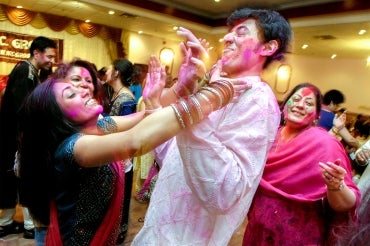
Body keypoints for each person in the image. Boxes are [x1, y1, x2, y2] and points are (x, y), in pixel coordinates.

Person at [18, 49, 241, 245]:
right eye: (72, 94)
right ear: (59, 117)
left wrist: (159, 95)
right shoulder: (75, 147)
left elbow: (146, 117)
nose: (85, 89)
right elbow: (136, 141)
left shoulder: (99, 125)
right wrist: (216, 93)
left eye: (83, 84)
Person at [133, 7, 292, 245]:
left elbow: (224, 192)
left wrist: (197, 105)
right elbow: (176, 159)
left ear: (268, 47)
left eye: (241, 32)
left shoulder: (258, 100)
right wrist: (157, 102)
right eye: (230, 32)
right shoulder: (220, 90)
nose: (227, 38)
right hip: (158, 228)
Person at [243, 83, 360, 245]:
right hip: (258, 226)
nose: (300, 105)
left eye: (309, 103)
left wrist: (336, 186)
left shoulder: (325, 144)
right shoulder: (270, 135)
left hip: (297, 233)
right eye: (296, 99)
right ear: (284, 106)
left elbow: (348, 203)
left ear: (317, 116)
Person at [0, 36, 57, 239]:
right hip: (17, 138)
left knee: (13, 180)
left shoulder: (32, 72)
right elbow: (22, 109)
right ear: (36, 53)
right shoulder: (25, 71)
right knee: (21, 179)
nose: (52, 60)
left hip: (17, 137)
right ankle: (26, 225)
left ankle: (10, 222)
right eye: (49, 56)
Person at [104, 57, 137, 244]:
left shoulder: (126, 100)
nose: (106, 72)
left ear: (117, 72)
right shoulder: (114, 93)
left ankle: (119, 231)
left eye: (109, 69)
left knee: (120, 197)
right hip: (111, 152)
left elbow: (126, 132)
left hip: (121, 156)